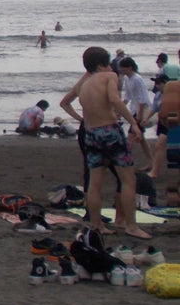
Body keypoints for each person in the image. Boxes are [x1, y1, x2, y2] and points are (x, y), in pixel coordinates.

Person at [58, 46, 145, 239]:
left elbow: (72, 103)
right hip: (109, 131)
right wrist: (133, 122)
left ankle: (96, 224)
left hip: (90, 133)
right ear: (101, 65)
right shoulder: (109, 76)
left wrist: (80, 119)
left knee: (94, 183)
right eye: (108, 64)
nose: (111, 67)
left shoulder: (84, 84)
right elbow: (114, 99)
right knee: (128, 179)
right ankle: (130, 225)